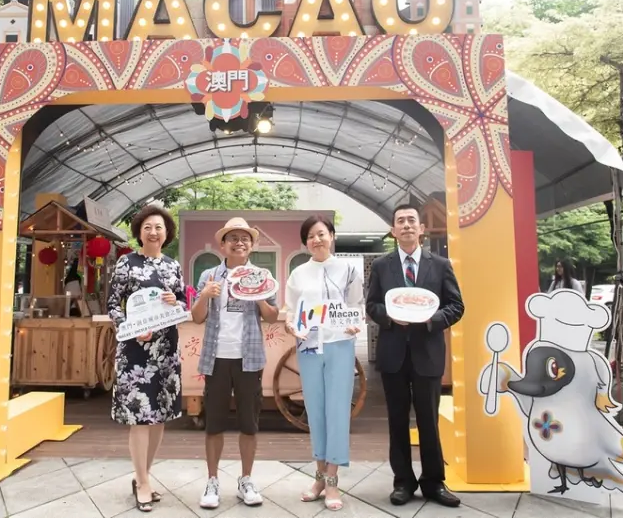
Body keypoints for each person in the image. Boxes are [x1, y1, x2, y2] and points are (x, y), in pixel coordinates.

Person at [366, 204, 464, 508]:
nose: (406, 225)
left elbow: (456, 306)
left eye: (411, 220)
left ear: (421, 229)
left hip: (428, 353)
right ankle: (403, 482)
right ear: (393, 231)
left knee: (428, 421)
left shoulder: (441, 265)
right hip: (393, 354)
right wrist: (390, 317)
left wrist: (431, 319)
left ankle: (434, 482)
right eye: (400, 221)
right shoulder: (381, 266)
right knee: (397, 421)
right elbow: (372, 306)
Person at [191, 217, 279, 509]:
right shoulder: (210, 276)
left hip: (249, 358)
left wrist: (260, 297)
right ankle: (212, 481)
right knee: (214, 423)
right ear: (223, 245)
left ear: (251, 245)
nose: (239, 243)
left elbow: (271, 316)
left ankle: (246, 480)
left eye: (244, 239)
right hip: (216, 358)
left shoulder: (261, 276)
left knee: (249, 423)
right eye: (233, 238)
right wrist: (205, 295)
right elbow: (197, 317)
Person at [107, 204, 187, 513]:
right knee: (140, 418)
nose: (153, 232)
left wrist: (175, 301)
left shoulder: (172, 265)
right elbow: (113, 304)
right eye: (148, 227)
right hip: (135, 351)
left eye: (159, 227)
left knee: (159, 416)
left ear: (167, 233)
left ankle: (144, 476)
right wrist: (129, 328)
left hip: (166, 350)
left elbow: (183, 303)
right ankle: (141, 481)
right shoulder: (126, 263)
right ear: (139, 232)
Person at [284, 215, 364, 512]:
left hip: (340, 344)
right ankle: (319, 476)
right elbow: (291, 310)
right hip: (309, 346)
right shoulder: (298, 274)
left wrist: (355, 324)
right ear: (305, 243)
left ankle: (332, 480)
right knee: (315, 410)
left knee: (338, 411)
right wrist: (291, 326)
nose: (316, 240)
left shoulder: (348, 270)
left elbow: (356, 306)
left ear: (332, 236)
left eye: (321, 234)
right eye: (310, 236)